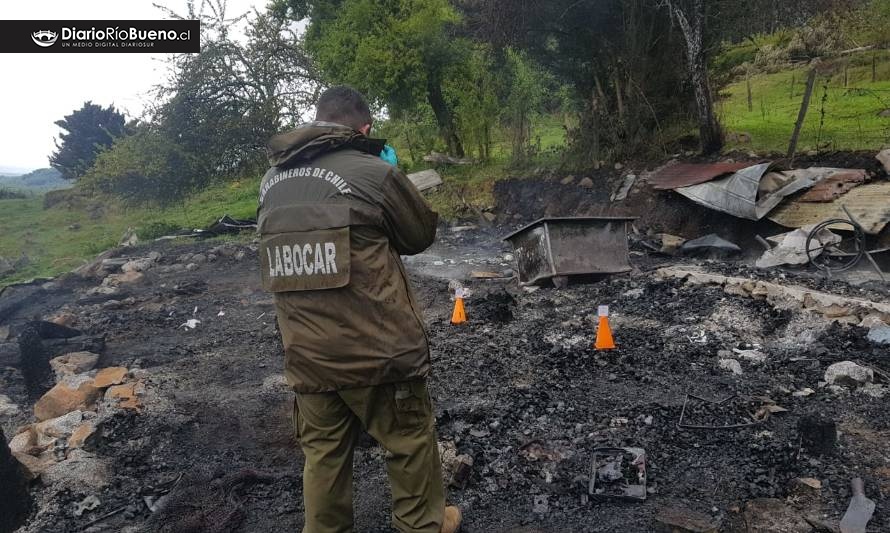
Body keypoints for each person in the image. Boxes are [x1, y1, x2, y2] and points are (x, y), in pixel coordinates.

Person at [257, 85, 461, 533]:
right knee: (408, 443)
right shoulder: (374, 173)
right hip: (378, 352)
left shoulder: (271, 183)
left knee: (324, 456)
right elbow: (417, 237)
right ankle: (422, 526)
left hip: (307, 355)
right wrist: (393, 176)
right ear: (364, 127)